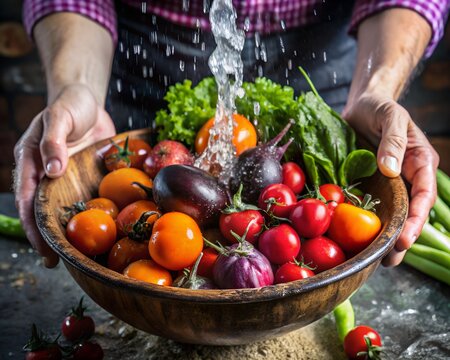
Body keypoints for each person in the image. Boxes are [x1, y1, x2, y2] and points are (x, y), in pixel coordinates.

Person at [15, 0, 447, 268]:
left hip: (329, 51)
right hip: (140, 52)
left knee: (315, 168)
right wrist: (78, 87)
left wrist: (377, 87)